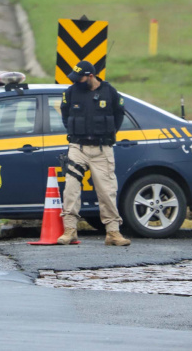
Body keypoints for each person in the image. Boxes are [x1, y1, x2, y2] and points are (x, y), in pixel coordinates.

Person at [57, 60, 131, 246]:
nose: (75, 81)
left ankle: (113, 233)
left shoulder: (109, 92)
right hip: (77, 148)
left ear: (91, 76)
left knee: (107, 192)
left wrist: (109, 134)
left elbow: (119, 114)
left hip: (101, 150)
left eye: (79, 77)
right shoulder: (71, 93)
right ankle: (70, 230)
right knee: (71, 190)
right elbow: (65, 115)